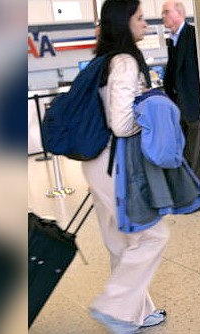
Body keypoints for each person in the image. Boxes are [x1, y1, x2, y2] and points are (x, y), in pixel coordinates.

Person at [81, 0, 169, 332]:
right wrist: (150, 122)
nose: (144, 24)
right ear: (124, 21)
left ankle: (136, 312)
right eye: (139, 18)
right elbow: (121, 123)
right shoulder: (125, 61)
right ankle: (115, 307)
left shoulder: (101, 60)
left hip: (94, 162)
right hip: (114, 165)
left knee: (120, 240)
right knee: (152, 235)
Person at [162, 0, 200, 186]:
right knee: (187, 151)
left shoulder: (193, 35)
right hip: (180, 107)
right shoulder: (173, 40)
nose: (163, 16)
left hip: (195, 107)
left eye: (166, 12)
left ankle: (198, 191)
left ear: (178, 13)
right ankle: (190, 190)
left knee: (198, 153)